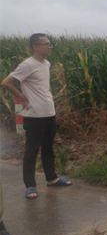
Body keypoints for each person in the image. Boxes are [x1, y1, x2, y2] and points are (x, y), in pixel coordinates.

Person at [1, 34, 73, 199]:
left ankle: (52, 178)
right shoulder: (27, 65)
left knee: (48, 148)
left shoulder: (46, 63)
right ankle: (30, 186)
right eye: (47, 44)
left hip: (49, 112)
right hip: (34, 115)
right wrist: (23, 97)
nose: (50, 47)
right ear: (35, 46)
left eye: (50, 44)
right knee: (31, 150)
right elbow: (6, 82)